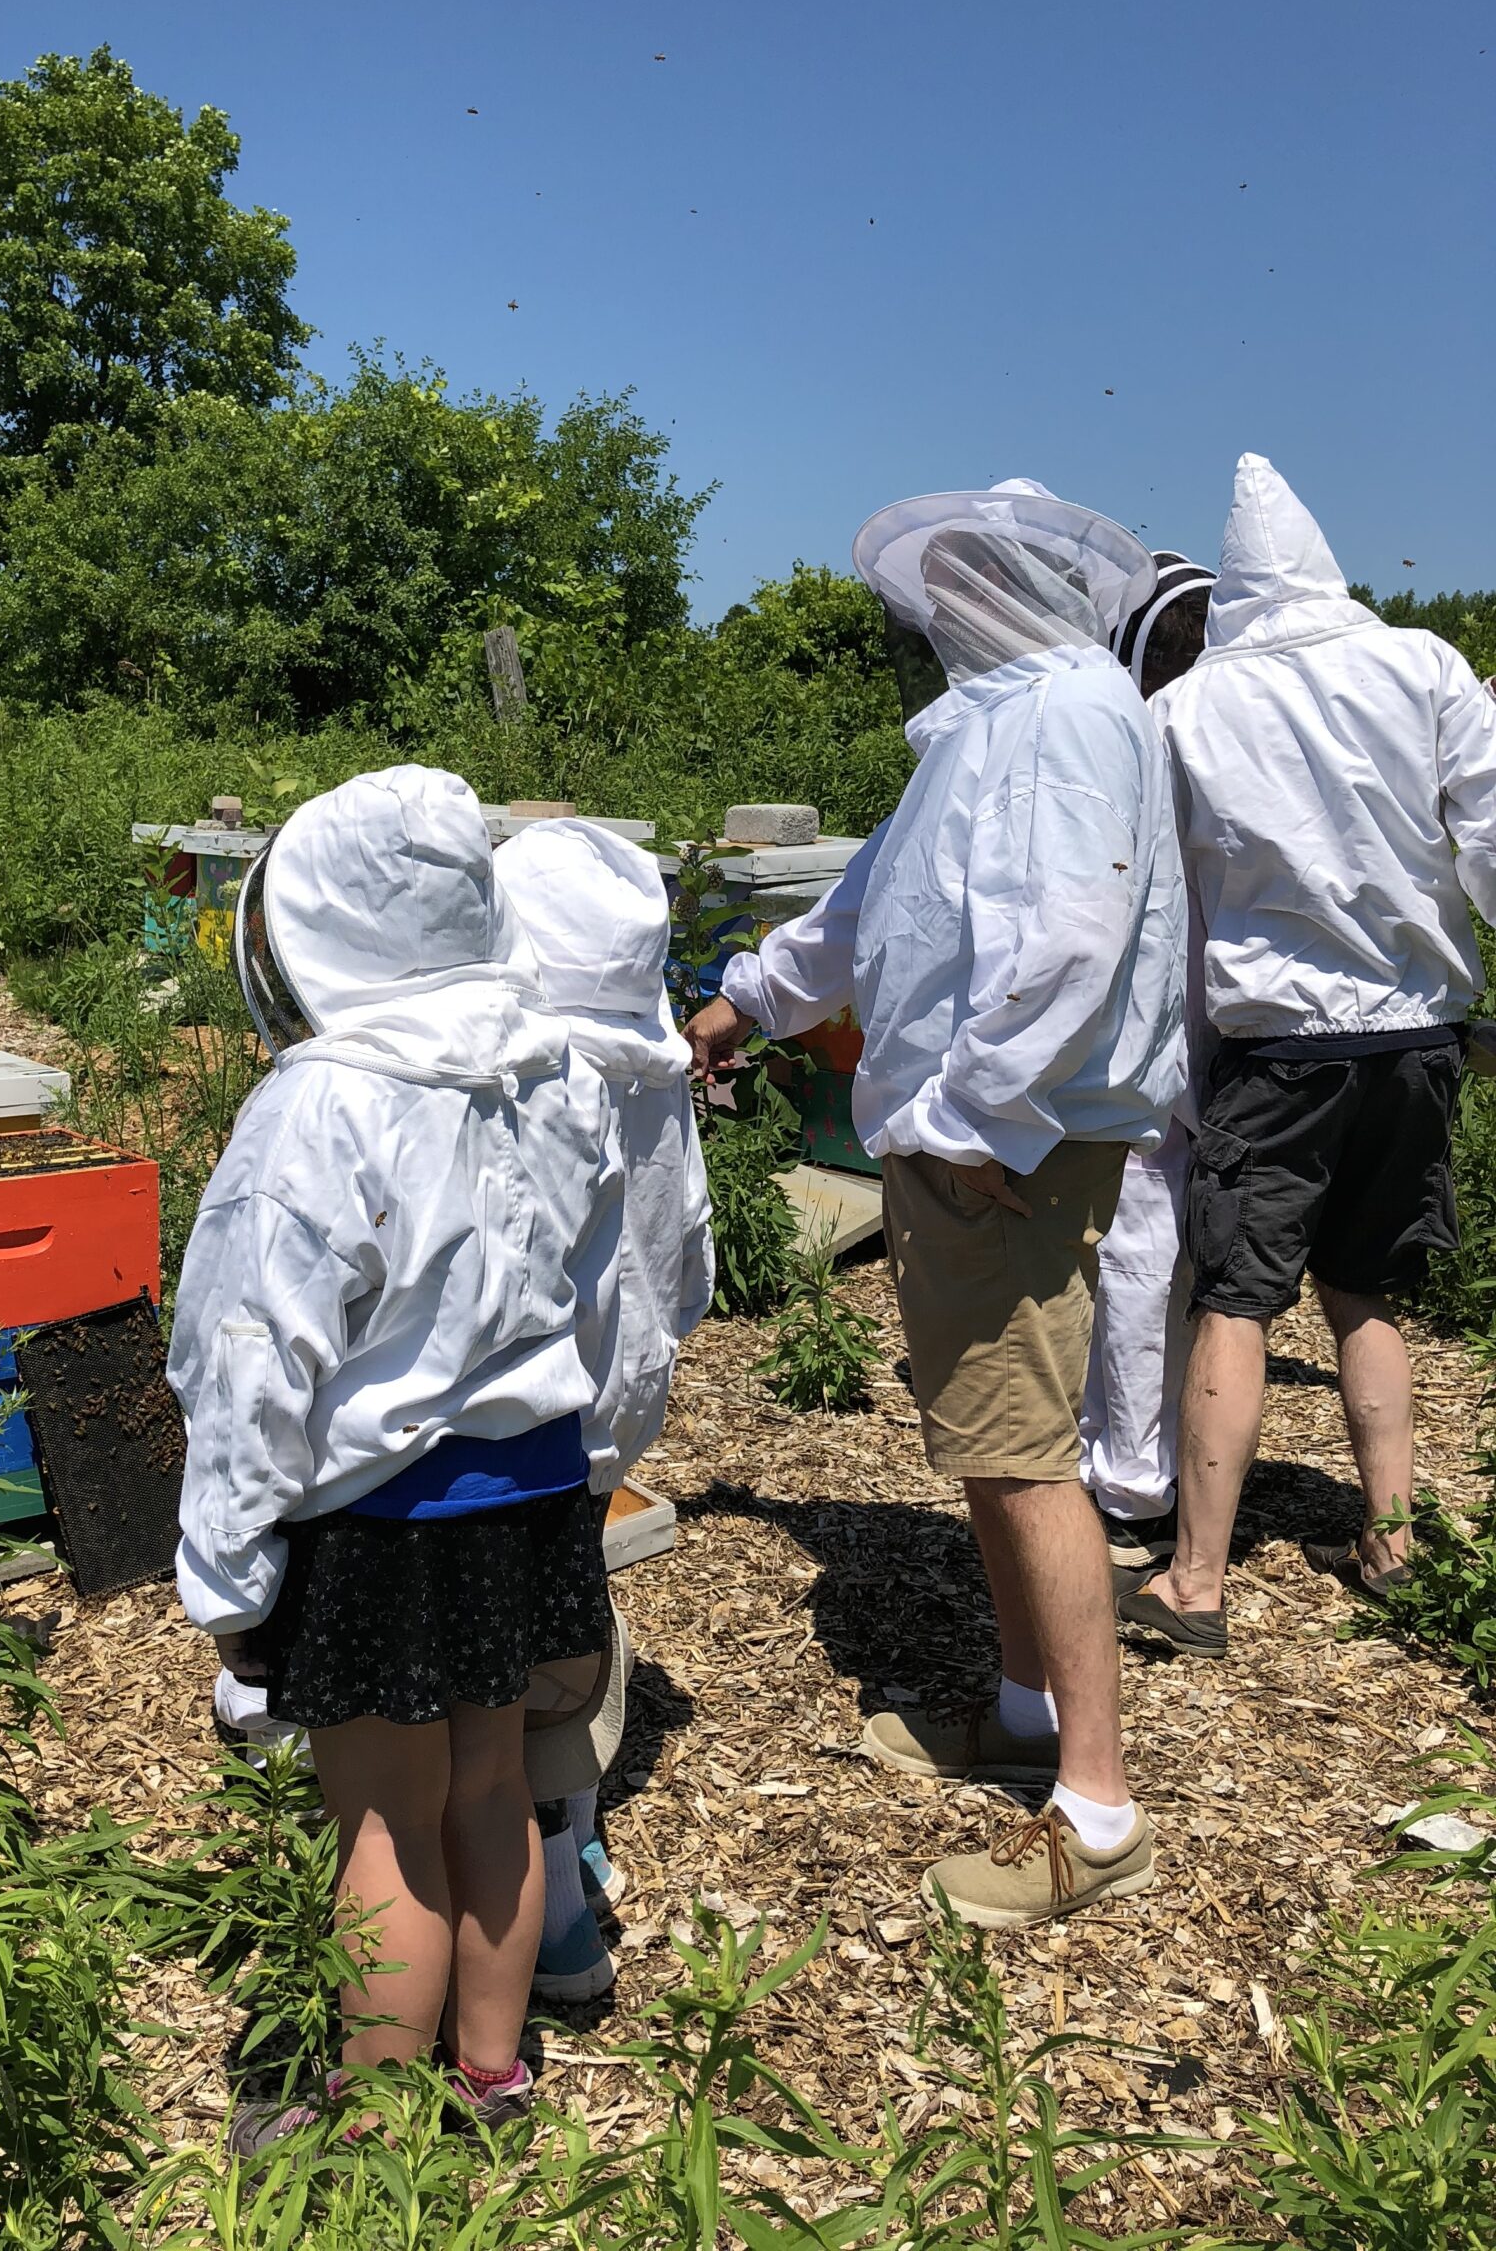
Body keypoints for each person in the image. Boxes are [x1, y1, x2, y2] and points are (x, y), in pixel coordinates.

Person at [685, 481, 1187, 1927]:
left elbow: (1074, 937)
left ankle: (1095, 1812)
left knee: (1030, 1459)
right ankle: (1025, 1714)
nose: (937, 613)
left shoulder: (1073, 713)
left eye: (963, 584)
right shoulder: (991, 727)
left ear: (1016, 587)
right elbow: (870, 914)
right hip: (974, 1141)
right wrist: (739, 1009)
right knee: (989, 1441)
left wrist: (982, 1119)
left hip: (1005, 1149)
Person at [171, 766, 624, 2131]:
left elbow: (250, 1360)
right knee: (492, 1790)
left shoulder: (319, 1106)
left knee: (380, 1818)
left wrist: (230, 1584)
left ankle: (371, 2125)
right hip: (533, 1490)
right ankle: (492, 2079)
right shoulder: (562, 1065)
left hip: (383, 1516)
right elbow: (608, 1285)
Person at [1122, 457, 1496, 1654]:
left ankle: (1194, 1580)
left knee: (1235, 1298)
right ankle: (1391, 1538)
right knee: (1361, 1289)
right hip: (1418, 1038)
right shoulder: (1425, 664)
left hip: (1278, 1047)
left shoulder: (1181, 710)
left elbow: (1158, 909)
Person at [494, 816, 714, 2002]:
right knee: (573, 1623)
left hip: (517, 1420)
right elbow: (686, 1268)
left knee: (508, 1659)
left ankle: (555, 1916)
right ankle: (575, 1835)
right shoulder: (656, 1072)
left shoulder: (521, 1077)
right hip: (612, 1408)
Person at [1080, 556, 1214, 1585]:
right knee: (1171, 1258)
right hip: (1241, 1019)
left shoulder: (1149, 730)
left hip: (1157, 1024)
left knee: (1138, 1245)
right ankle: (1156, 1458)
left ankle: (1132, 1484)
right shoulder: (1232, 720)